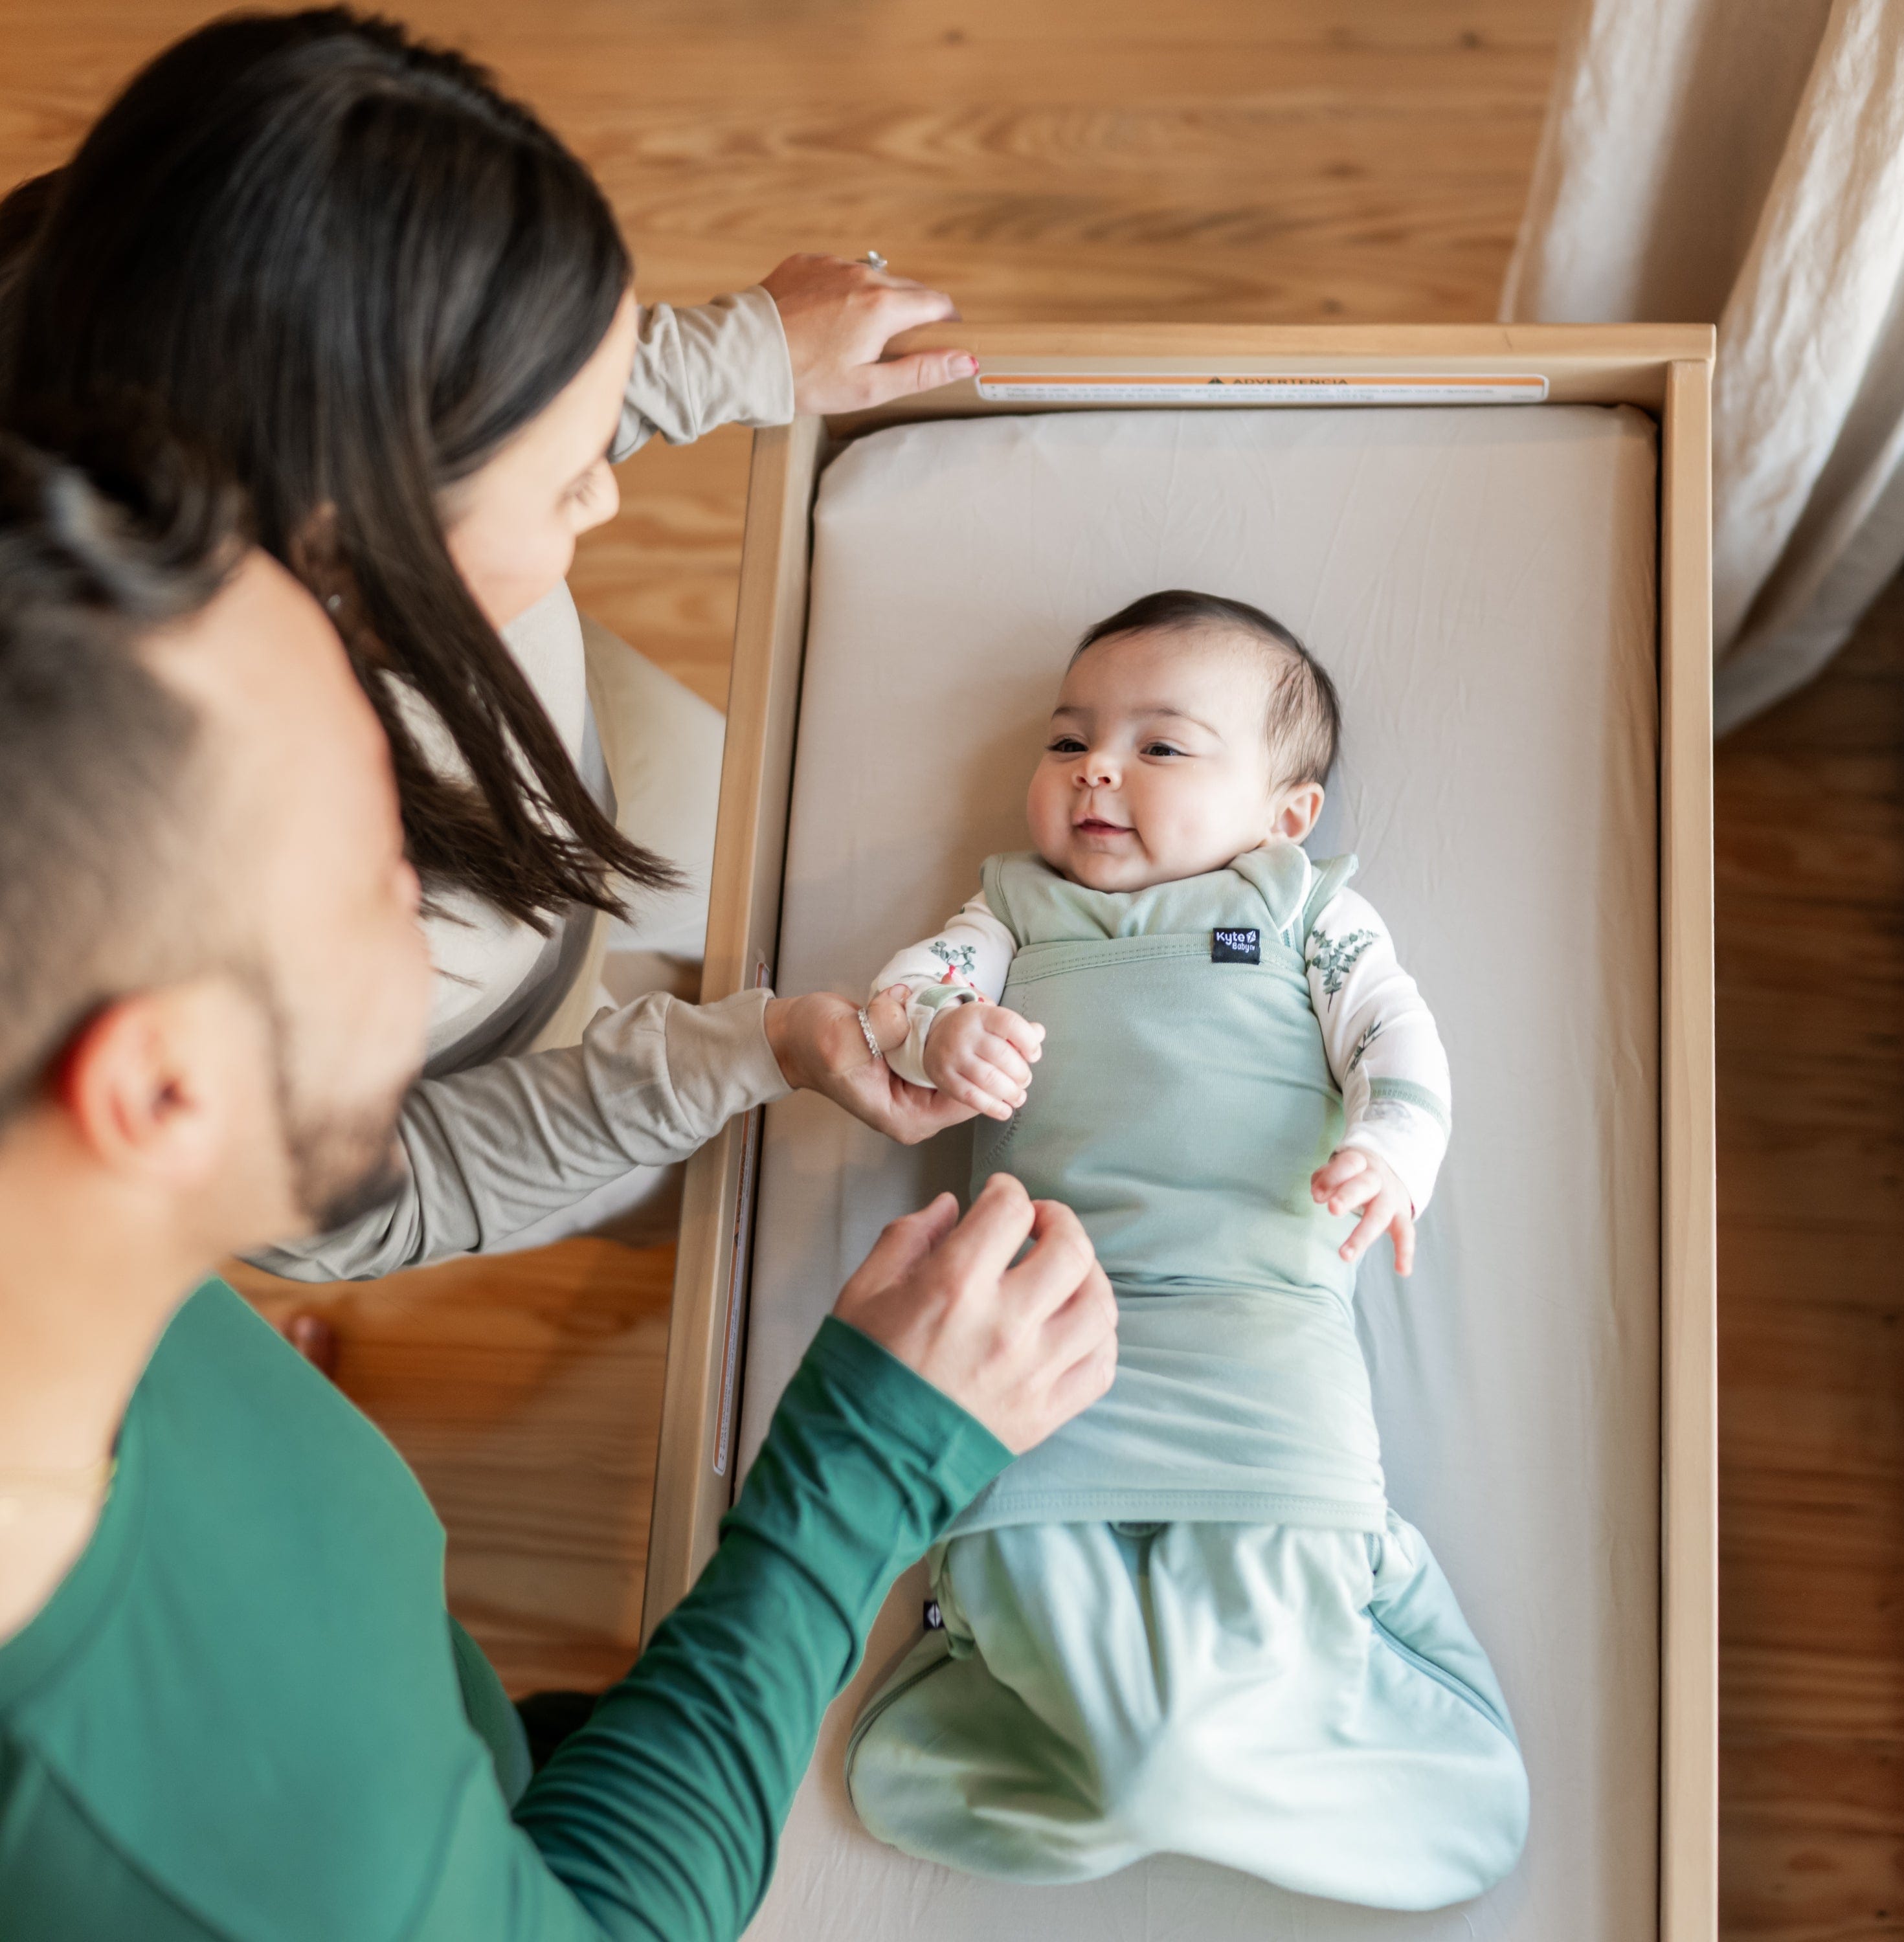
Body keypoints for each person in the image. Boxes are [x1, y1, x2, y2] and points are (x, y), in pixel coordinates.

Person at [0, 425, 1117, 1939]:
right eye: (371, 862)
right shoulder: (233, 1864)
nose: (436, 881)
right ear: (156, 1092)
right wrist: (864, 1465)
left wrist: (766, 1042)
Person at [0, 8, 976, 1277]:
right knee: (708, 1192)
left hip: (564, 792)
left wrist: (734, 355)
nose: (609, 492)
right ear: (348, 544)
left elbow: (471, 378)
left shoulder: (187, 337)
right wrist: (746, 1061)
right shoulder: (171, 918)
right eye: (569, 476)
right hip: (514, 1071)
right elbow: (372, 1197)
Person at [843, 590, 1529, 1908]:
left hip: (1250, 1335)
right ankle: (1143, 1769)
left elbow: (1399, 1038)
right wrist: (934, 1036)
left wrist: (1393, 1147)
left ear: (1285, 814)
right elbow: (904, 993)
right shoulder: (1011, 915)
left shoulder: (1306, 914)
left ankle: (1180, 1767)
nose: (1097, 769)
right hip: (1043, 1331)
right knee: (1036, 1587)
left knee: (1262, 1607)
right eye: (1070, 742)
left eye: (1162, 747)